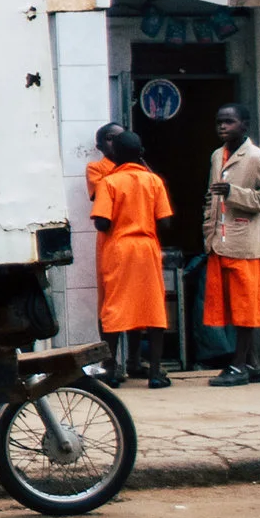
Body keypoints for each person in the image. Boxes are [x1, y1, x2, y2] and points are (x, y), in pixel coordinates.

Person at [203, 102, 260, 387]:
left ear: (244, 125)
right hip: (220, 242)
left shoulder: (257, 157)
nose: (223, 126)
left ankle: (238, 366)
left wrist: (234, 193)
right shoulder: (216, 156)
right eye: (219, 122)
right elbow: (211, 199)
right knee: (231, 308)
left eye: (229, 122)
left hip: (246, 243)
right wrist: (207, 233)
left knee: (246, 307)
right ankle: (254, 363)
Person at [91, 130, 171, 387]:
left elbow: (102, 223)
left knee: (115, 306)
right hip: (147, 248)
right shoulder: (154, 181)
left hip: (120, 248)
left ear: (115, 154)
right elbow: (166, 222)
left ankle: (111, 370)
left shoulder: (109, 182)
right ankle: (156, 373)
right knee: (154, 307)